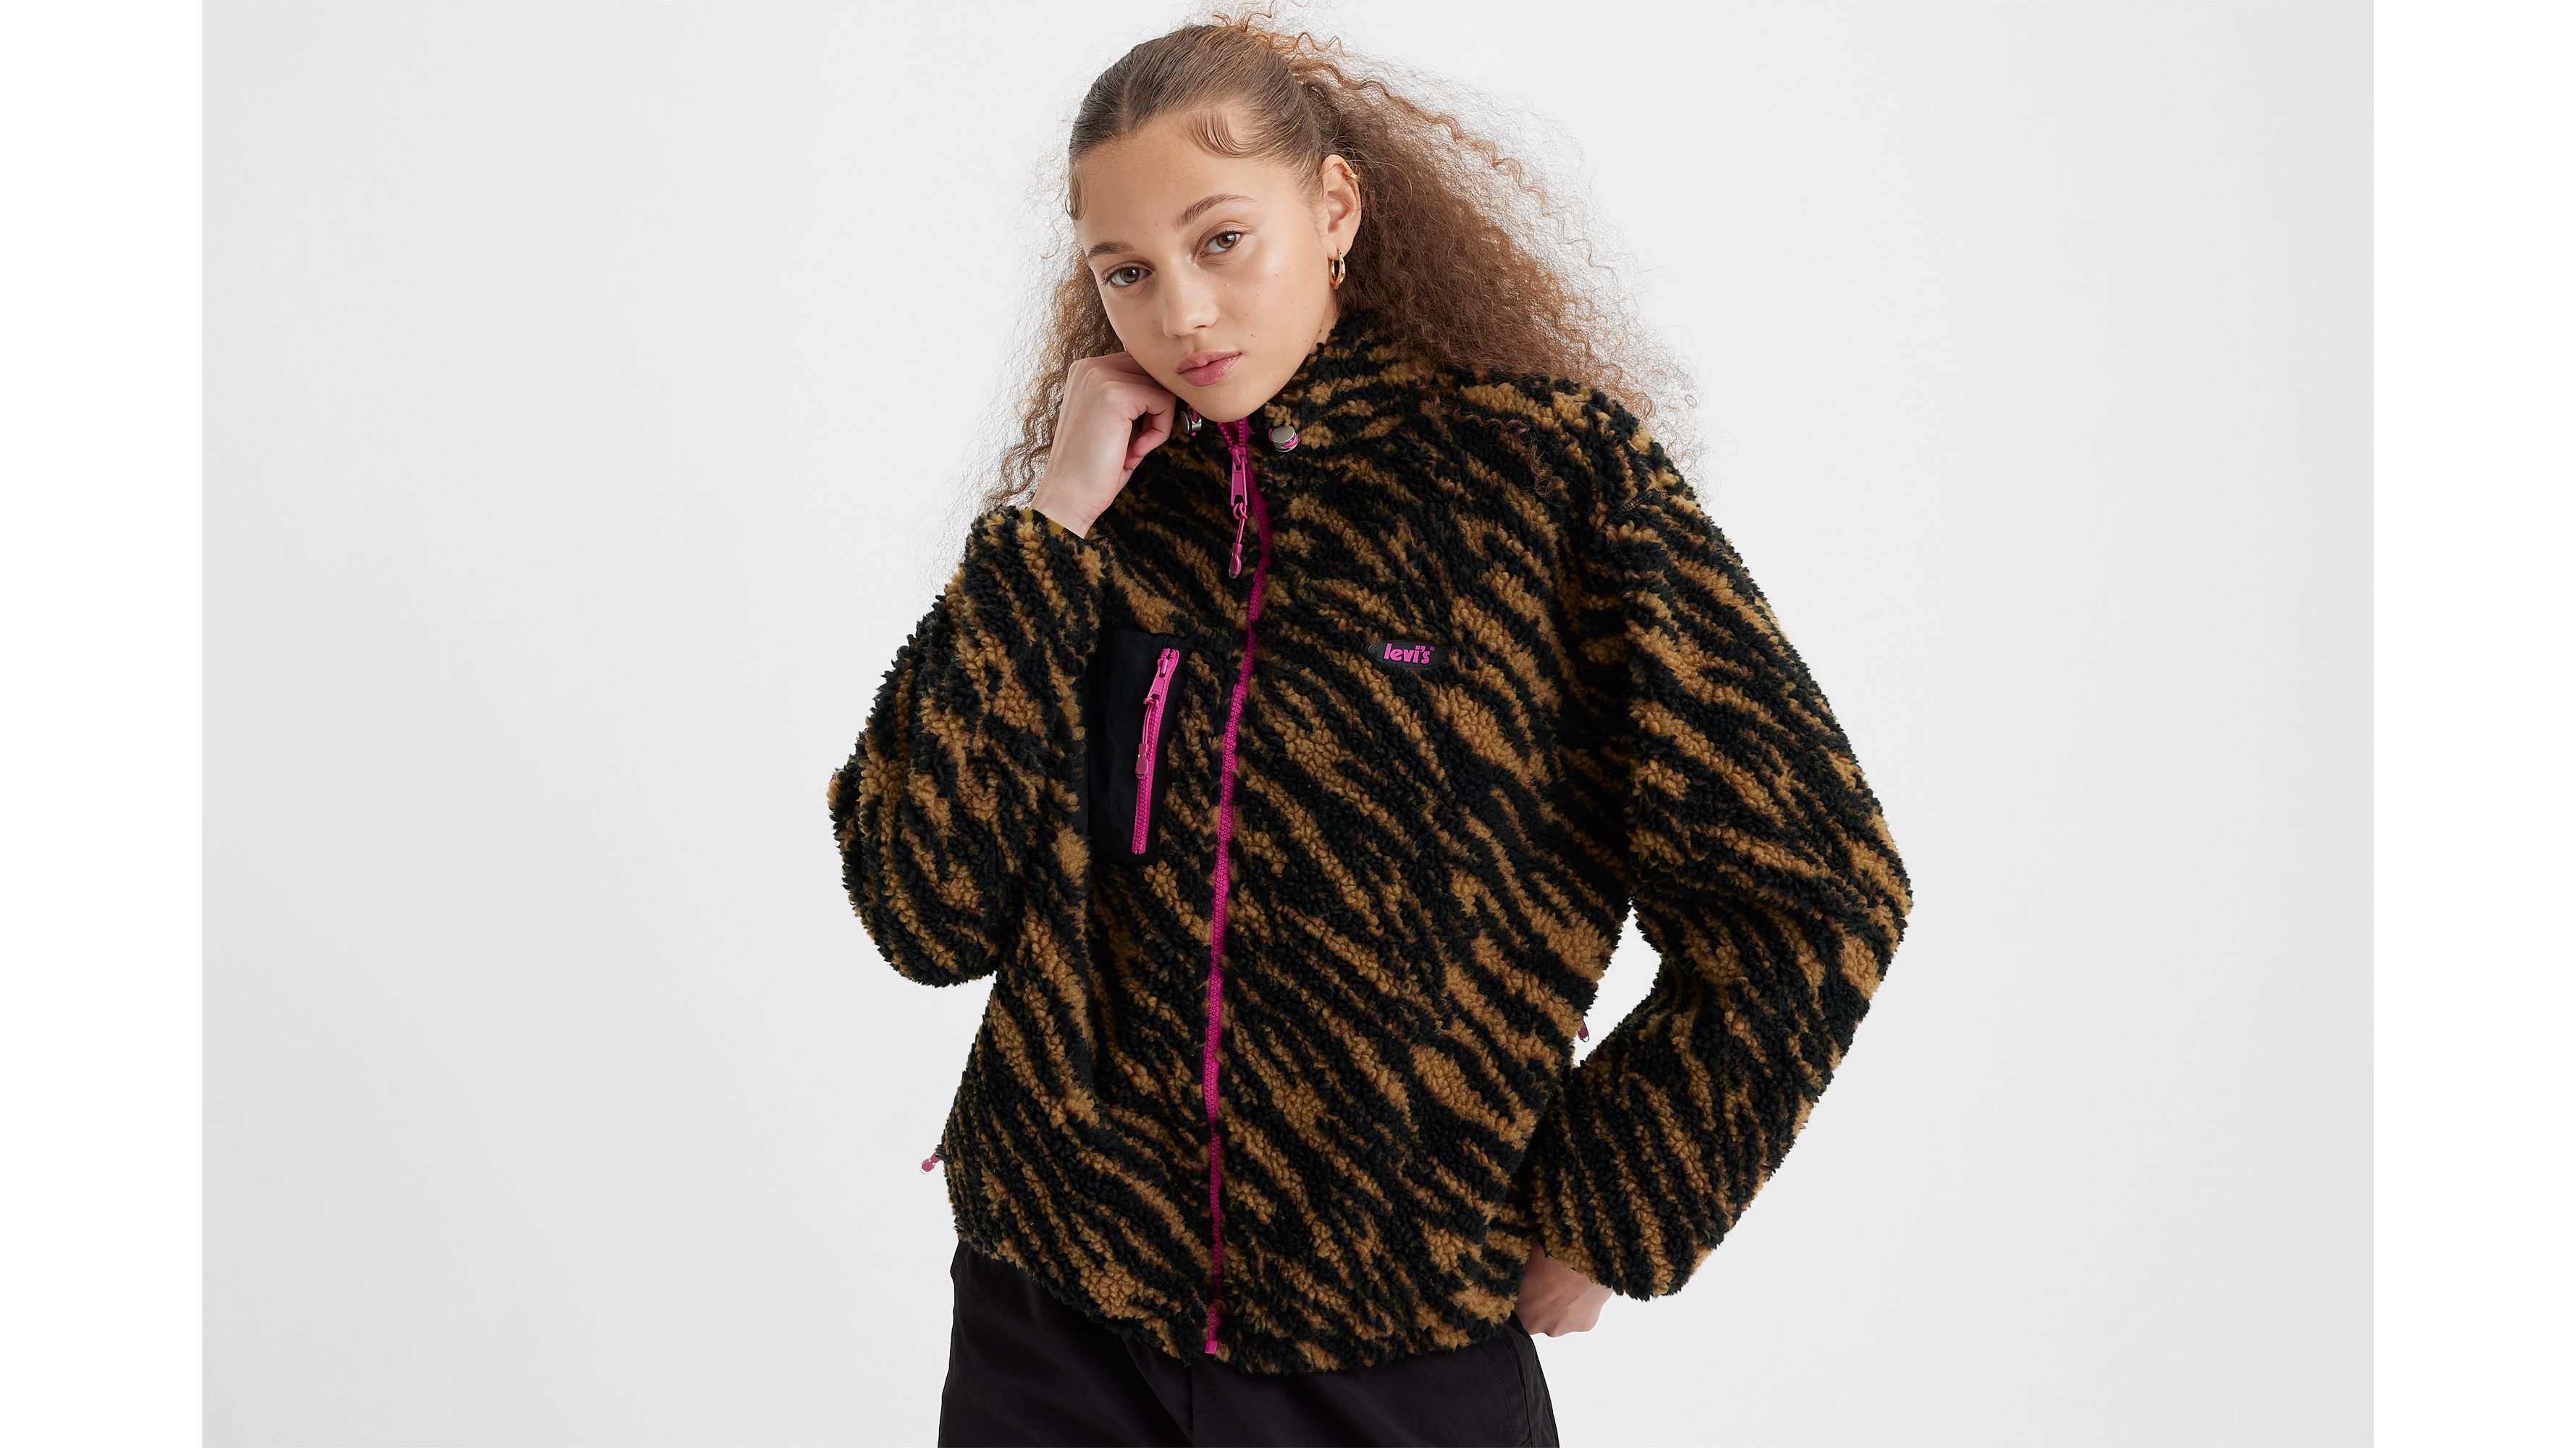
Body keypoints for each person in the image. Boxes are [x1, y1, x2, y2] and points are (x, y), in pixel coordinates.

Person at [825, 12, 1914, 1446]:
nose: (1182, 314)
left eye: (1223, 241)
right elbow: (926, 913)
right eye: (1127, 271)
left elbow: (1817, 889)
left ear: (1333, 207)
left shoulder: (1551, 484)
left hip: (1390, 1347)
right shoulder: (1099, 524)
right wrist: (1049, 526)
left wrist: (1611, 1208)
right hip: (1053, 1329)